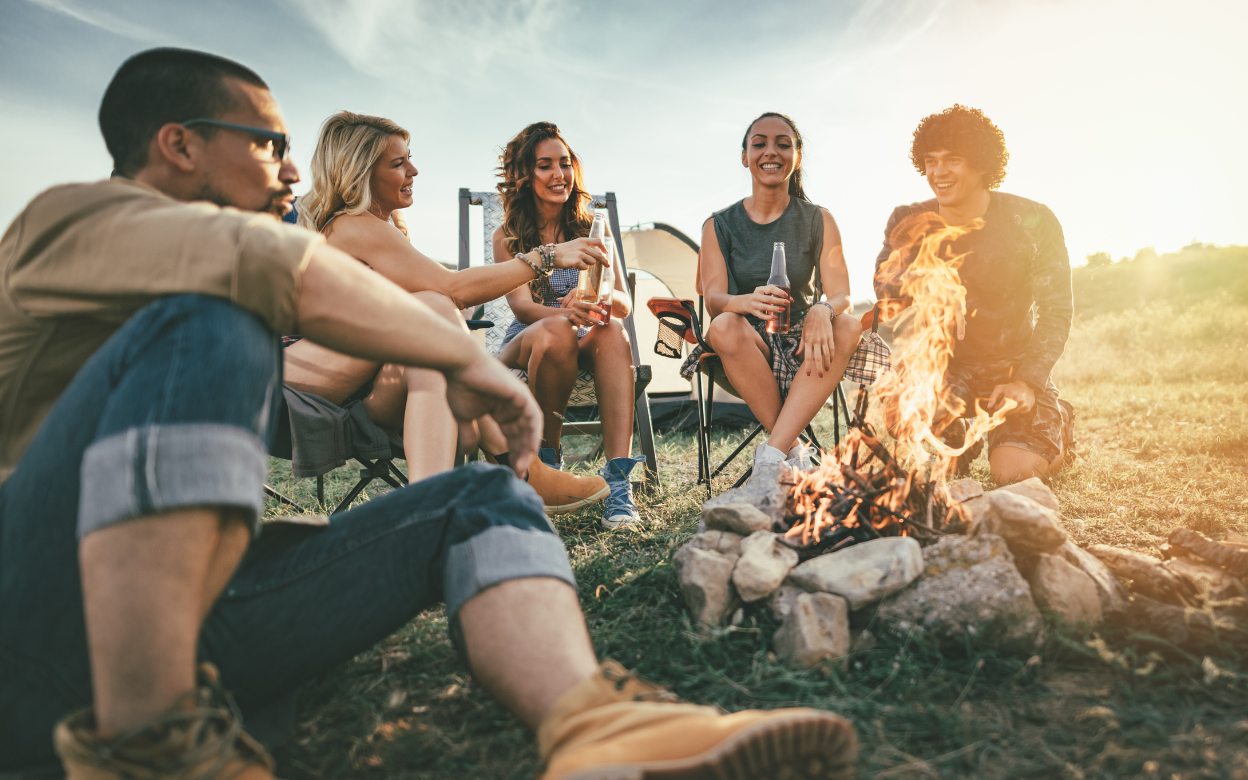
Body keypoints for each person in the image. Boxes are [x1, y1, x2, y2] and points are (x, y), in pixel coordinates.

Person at [0, 48, 858, 779]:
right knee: (211, 314)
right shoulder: (69, 220)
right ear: (178, 145)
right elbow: (274, 269)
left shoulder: (267, 247)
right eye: (269, 145)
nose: (293, 170)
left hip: (199, 620)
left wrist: (455, 354)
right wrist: (458, 355)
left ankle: (595, 725)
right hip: (30, 606)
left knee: (479, 499)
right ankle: (154, 741)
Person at [284, 111, 608, 513]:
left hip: (363, 390)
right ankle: (521, 467)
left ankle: (432, 517)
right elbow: (451, 289)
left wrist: (454, 303)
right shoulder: (352, 225)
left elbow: (451, 294)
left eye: (410, 159)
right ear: (361, 172)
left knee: (433, 356)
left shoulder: (382, 229)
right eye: (398, 162)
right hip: (300, 377)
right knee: (435, 307)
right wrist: (547, 255)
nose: (414, 170)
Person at [874, 104, 1075, 484]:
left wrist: (1028, 382)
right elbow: (885, 285)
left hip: (1013, 367)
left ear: (982, 164)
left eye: (953, 160)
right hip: (943, 368)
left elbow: (1056, 311)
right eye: (931, 161)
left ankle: (1058, 422)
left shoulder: (1032, 221)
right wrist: (927, 280)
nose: (938, 172)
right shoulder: (907, 219)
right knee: (907, 420)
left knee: (1014, 473)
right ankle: (957, 443)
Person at [683, 112, 866, 469]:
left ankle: (773, 458)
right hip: (746, 351)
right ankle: (792, 451)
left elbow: (842, 294)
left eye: (784, 144)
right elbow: (715, 301)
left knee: (848, 325)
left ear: (797, 156)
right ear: (744, 156)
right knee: (722, 325)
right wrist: (747, 301)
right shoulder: (718, 225)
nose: (771, 152)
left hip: (805, 347)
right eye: (760, 143)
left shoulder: (818, 218)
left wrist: (821, 310)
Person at [492, 122, 644, 529]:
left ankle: (617, 481)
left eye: (564, 163)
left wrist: (601, 299)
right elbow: (523, 309)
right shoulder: (508, 236)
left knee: (612, 329)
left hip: (585, 336)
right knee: (558, 331)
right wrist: (567, 314)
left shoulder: (592, 228)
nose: (558, 175)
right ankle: (547, 467)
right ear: (525, 175)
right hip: (529, 339)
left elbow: (623, 304)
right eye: (545, 165)